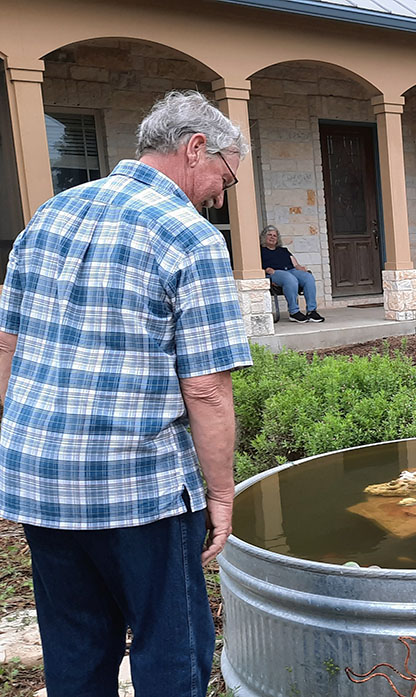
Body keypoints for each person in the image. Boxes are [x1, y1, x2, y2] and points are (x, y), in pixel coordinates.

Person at [0, 90, 253, 697]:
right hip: (139, 488)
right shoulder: (190, 237)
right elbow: (207, 388)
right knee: (172, 647)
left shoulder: (50, 214)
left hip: (41, 481)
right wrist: (221, 495)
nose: (223, 192)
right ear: (197, 149)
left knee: (76, 646)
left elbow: (7, 347)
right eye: (227, 175)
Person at [260, 225, 323, 323]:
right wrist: (266, 269)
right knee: (290, 279)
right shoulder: (260, 251)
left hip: (291, 270)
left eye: (274, 236)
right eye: (269, 235)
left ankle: (311, 311)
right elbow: (256, 266)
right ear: (264, 237)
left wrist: (301, 269)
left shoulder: (283, 250)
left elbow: (295, 264)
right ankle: (294, 312)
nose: (272, 237)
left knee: (308, 277)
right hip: (275, 273)